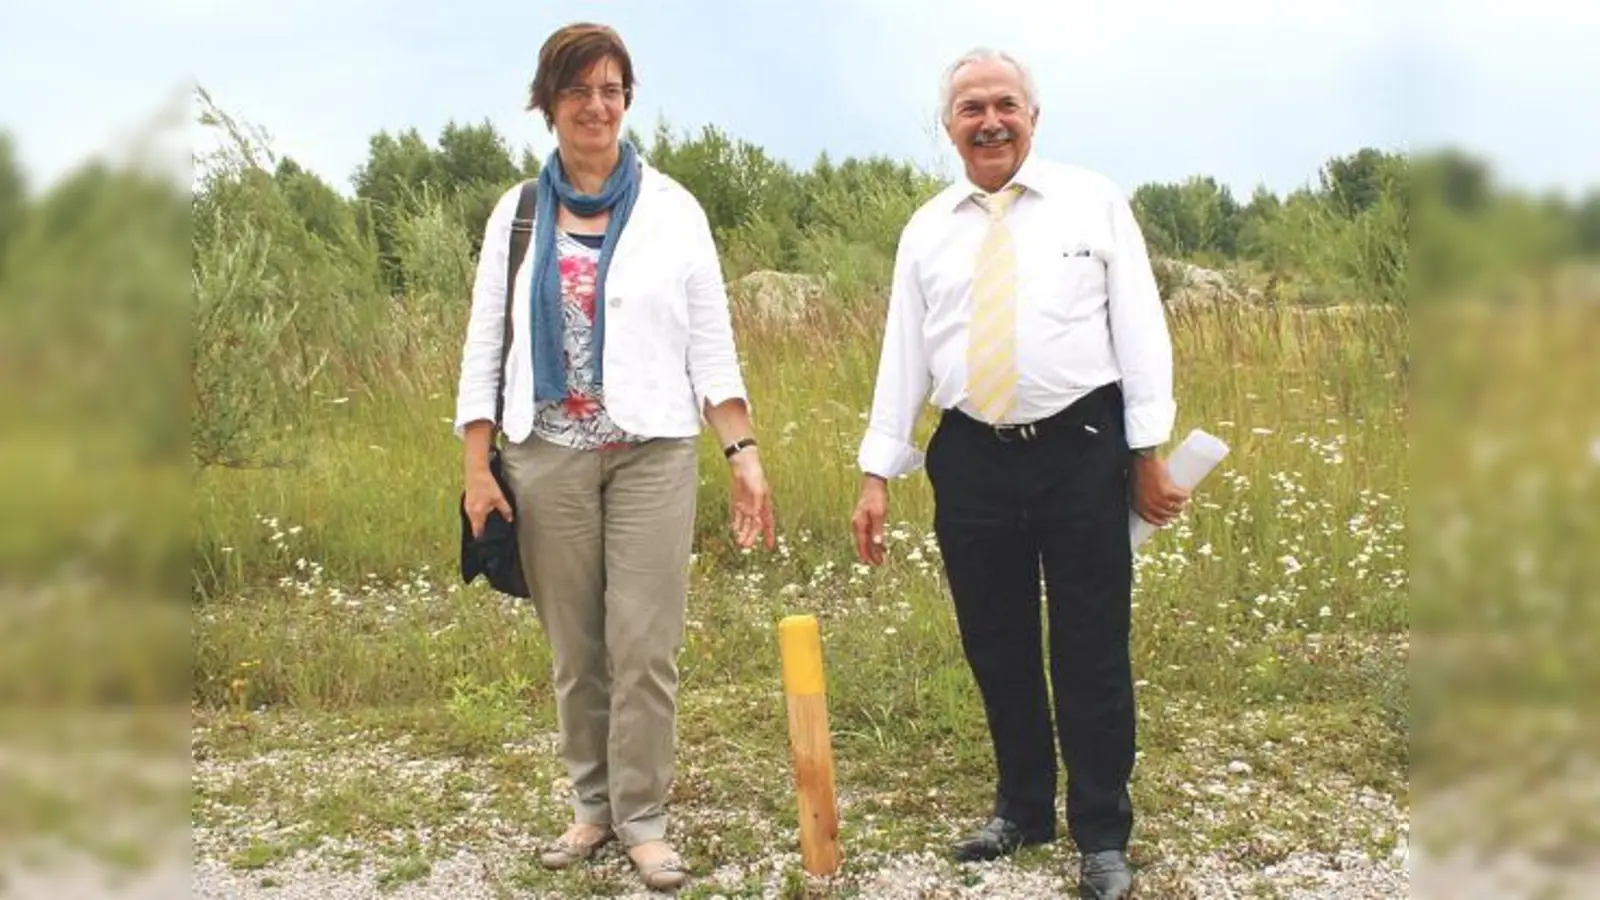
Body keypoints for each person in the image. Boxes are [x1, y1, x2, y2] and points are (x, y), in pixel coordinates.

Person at [849, 47, 1189, 900]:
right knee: (996, 643)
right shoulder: (927, 228)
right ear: (949, 126)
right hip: (972, 457)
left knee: (1090, 646)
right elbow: (903, 355)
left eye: (1005, 104)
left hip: (1082, 445)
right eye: (971, 108)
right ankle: (1024, 807)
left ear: (1033, 116)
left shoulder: (1093, 203)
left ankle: (1103, 832)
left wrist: (1145, 452)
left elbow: (1141, 331)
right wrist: (877, 470)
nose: (989, 120)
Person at [454, 22, 775, 894]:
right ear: (548, 103)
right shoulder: (518, 213)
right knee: (577, 648)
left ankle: (644, 820)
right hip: (544, 454)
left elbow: (712, 343)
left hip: (652, 454)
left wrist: (742, 452)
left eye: (612, 90)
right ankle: (591, 808)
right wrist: (477, 464)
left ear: (627, 100)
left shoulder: (675, 208)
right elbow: (487, 341)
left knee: (644, 645)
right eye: (578, 90)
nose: (597, 107)